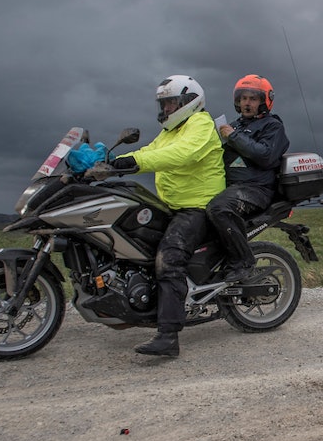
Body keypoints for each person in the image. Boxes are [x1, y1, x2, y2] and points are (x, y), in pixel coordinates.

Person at [87, 75, 225, 358]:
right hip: (172, 205)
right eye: (163, 104)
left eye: (171, 103)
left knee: (169, 257)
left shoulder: (200, 124)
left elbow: (182, 154)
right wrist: (115, 164)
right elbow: (152, 151)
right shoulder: (171, 131)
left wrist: (134, 162)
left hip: (196, 206)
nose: (166, 109)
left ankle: (169, 335)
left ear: (189, 102)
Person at [206, 74, 290, 283]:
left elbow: (265, 155)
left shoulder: (273, 126)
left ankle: (244, 261)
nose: (246, 103)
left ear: (264, 101)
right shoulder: (235, 126)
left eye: (253, 98)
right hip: (232, 187)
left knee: (219, 209)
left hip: (256, 189)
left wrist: (233, 136)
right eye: (243, 98)